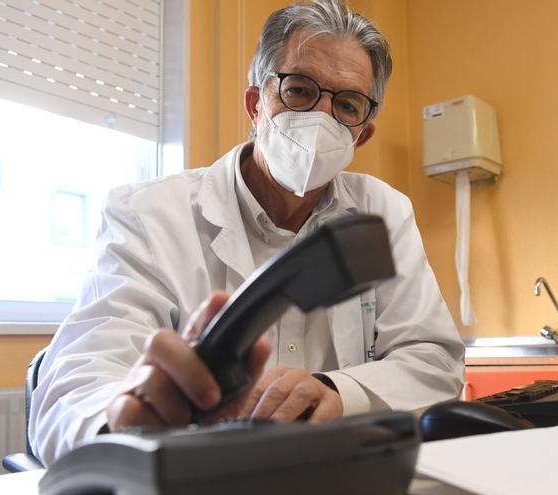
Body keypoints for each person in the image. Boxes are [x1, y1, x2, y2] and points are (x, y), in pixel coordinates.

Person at [30, 0, 465, 465]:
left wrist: (337, 391)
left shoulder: (384, 213)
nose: (321, 117)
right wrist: (124, 423)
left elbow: (433, 359)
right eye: (298, 90)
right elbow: (74, 384)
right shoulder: (148, 213)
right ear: (256, 104)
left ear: (361, 135)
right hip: (201, 477)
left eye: (346, 104)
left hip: (336, 472)